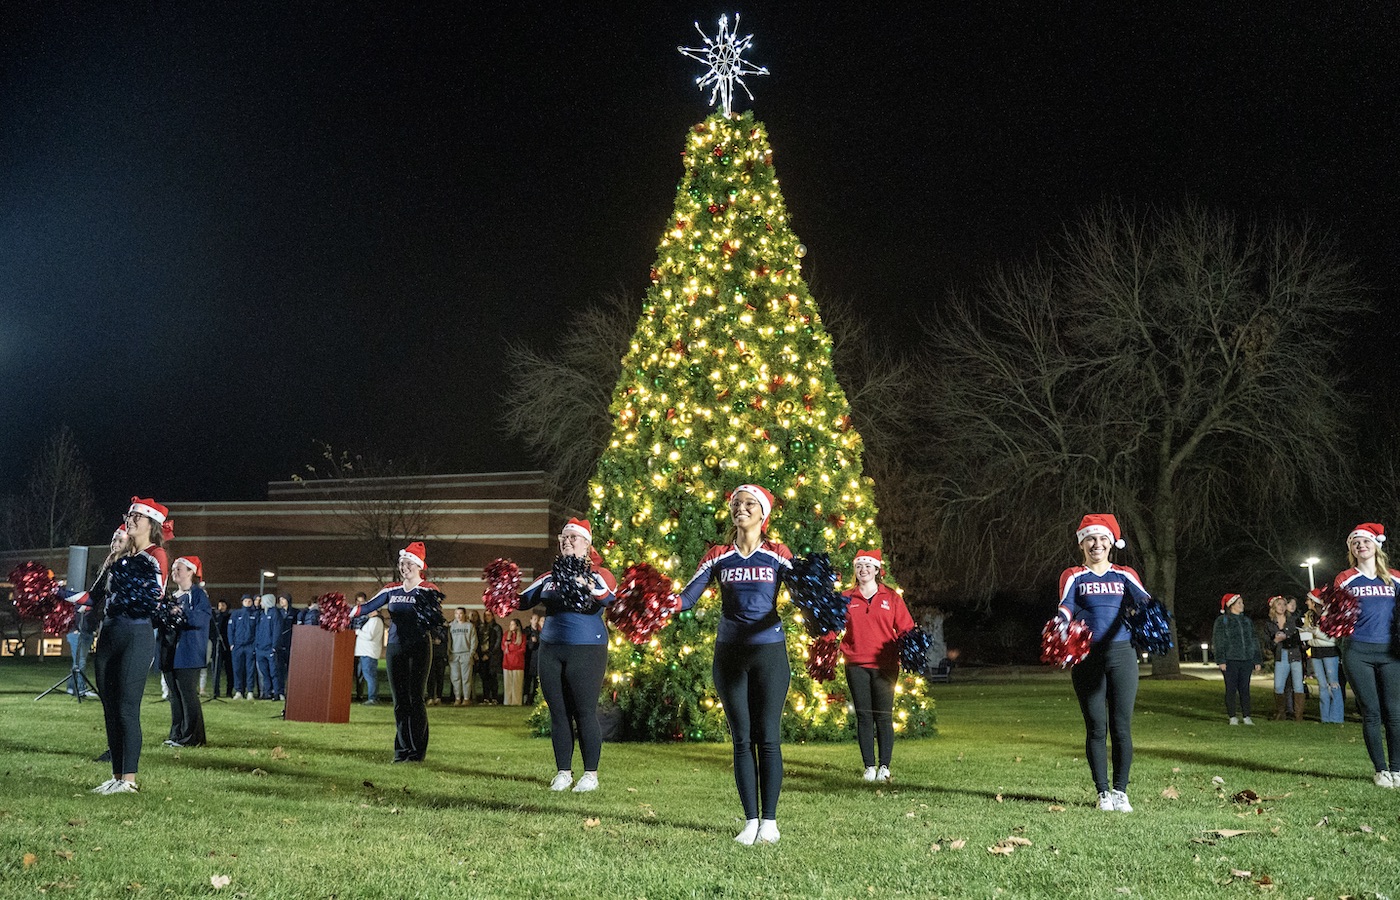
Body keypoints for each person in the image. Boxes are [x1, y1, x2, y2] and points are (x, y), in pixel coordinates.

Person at [676, 484, 792, 845]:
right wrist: (653, 604)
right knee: (741, 739)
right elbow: (687, 597)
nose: (741, 508)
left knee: (768, 737)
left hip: (769, 653)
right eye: (736, 503)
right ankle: (750, 820)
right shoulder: (718, 556)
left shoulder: (777, 553)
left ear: (763, 514)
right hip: (729, 654)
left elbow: (805, 595)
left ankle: (770, 821)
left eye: (749, 503)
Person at [1057, 513, 1149, 813]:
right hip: (1087, 657)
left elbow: (1145, 603)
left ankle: (1121, 791)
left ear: (1112, 543)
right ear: (1082, 543)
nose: (1096, 544)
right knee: (1096, 727)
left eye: (1102, 538)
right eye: (1090, 539)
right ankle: (1102, 792)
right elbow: (1067, 606)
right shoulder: (1073, 575)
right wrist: (1060, 624)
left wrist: (1147, 617)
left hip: (1122, 654)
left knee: (1121, 726)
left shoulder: (1125, 574)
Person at [516, 518, 617, 792]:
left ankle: (590, 774)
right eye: (564, 537)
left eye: (574, 537)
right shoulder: (549, 576)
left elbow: (609, 597)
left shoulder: (600, 573)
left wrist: (584, 581)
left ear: (587, 543)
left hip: (587, 650)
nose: (568, 541)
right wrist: (501, 587)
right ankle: (563, 772)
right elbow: (520, 600)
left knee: (584, 712)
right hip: (550, 649)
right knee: (558, 713)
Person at [91, 497, 169, 794]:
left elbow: (155, 596)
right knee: (110, 708)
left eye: (138, 517)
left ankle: (130, 779)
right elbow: (92, 598)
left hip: (135, 635)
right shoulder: (118, 557)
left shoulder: (155, 554)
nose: (131, 520)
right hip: (109, 634)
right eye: (130, 515)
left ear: (152, 524)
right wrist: (56, 594)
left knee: (126, 708)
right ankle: (116, 775)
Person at [349, 542, 443, 762]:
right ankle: (401, 751)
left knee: (415, 698)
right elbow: (367, 607)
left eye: (409, 562)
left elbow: (434, 618)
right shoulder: (391, 589)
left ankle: (417, 752)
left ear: (419, 565)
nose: (404, 566)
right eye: (401, 563)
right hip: (395, 647)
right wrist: (342, 611)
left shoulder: (429, 589)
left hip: (419, 646)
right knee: (400, 700)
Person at [838, 549, 914, 783]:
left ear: (877, 570)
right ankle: (869, 766)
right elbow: (832, 627)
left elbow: (907, 628)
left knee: (883, 716)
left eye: (868, 566)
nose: (863, 570)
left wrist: (911, 649)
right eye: (859, 567)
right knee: (863, 716)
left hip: (885, 666)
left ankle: (884, 766)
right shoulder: (846, 598)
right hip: (856, 664)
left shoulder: (891, 597)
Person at [1333, 523, 1400, 787]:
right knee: (1371, 711)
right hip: (1357, 650)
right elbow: (1338, 615)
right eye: (1355, 542)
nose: (1361, 545)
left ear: (1376, 545)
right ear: (1351, 549)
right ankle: (1380, 770)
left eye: (1365, 541)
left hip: (1392, 652)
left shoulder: (1395, 577)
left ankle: (1397, 769)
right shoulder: (1345, 578)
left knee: (1395, 712)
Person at [165, 556, 211, 747]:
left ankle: (193, 737)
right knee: (174, 694)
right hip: (169, 652)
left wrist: (181, 612)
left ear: (191, 572)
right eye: (174, 568)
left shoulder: (198, 595)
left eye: (179, 569)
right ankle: (176, 734)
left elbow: (201, 619)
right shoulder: (171, 596)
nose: (174, 572)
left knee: (187, 694)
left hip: (188, 652)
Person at [1211, 593, 1261, 725]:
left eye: (1242, 603)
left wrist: (1256, 659)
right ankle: (1232, 716)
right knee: (1231, 688)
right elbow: (1218, 641)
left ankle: (1246, 716)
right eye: (1239, 603)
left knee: (1245, 689)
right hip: (1230, 660)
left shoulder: (1247, 621)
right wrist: (1221, 660)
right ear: (1231, 606)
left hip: (1246, 660)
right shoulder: (1222, 621)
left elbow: (1254, 640)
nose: (1242, 605)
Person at [1302, 588, 1343, 724]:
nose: (1306, 602)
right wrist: (1310, 636)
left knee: (1334, 684)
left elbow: (1333, 638)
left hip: (1330, 652)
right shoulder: (1310, 616)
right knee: (1322, 685)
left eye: (1308, 600)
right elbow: (1309, 638)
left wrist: (1315, 633)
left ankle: (1337, 717)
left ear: (1314, 602)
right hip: (1316, 652)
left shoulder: (1330, 615)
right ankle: (1325, 718)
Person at [1264, 595, 1305, 722]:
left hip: (1295, 654)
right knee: (1279, 685)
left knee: (1298, 685)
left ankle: (1299, 715)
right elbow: (1268, 645)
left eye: (1283, 604)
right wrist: (1275, 640)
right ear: (1273, 607)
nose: (1282, 607)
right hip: (1281, 655)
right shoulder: (1270, 624)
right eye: (1279, 604)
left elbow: (1302, 635)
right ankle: (1281, 713)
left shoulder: (1292, 619)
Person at [354, 607, 387, 704]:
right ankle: (373, 697)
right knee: (370, 675)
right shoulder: (374, 621)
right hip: (366, 652)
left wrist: (358, 631)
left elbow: (369, 636)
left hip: (368, 652)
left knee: (370, 676)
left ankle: (373, 697)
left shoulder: (375, 621)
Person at [253, 594, 283, 700]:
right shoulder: (262, 614)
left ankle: (276, 692)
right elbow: (258, 631)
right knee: (264, 672)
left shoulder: (275, 613)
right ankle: (267, 692)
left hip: (270, 648)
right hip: (260, 648)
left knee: (273, 671)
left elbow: (276, 631)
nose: (260, 603)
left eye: (262, 601)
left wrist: (274, 646)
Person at [229, 594, 257, 700]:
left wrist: (254, 645)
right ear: (242, 602)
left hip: (250, 646)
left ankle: (250, 691)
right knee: (237, 669)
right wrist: (232, 644)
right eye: (246, 601)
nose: (248, 603)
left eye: (250, 601)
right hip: (238, 646)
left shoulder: (254, 614)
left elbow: (257, 631)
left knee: (250, 670)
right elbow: (230, 630)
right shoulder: (236, 614)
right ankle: (239, 691)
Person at [447, 607, 478, 707]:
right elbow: (448, 641)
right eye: (457, 614)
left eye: (460, 613)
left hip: (466, 654)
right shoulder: (451, 626)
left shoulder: (469, 626)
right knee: (455, 678)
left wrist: (471, 653)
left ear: (464, 614)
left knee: (466, 678)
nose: (459, 616)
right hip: (454, 655)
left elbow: (474, 640)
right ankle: (457, 698)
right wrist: (449, 652)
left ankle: (466, 698)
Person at [476, 611, 503, 704]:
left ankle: (494, 698)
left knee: (493, 677)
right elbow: (479, 641)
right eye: (485, 615)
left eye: (489, 615)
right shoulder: (482, 628)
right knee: (484, 677)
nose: (487, 617)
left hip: (492, 656)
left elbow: (497, 643)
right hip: (482, 655)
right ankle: (486, 697)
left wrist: (489, 654)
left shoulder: (496, 628)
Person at [209, 599, 233, 699]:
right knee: (215, 669)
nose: (220, 607)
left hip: (227, 646)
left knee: (229, 670)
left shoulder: (230, 617)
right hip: (217, 646)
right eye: (219, 605)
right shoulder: (215, 617)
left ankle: (229, 691)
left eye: (223, 605)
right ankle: (216, 691)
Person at [502, 618, 527, 705]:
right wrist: (507, 648)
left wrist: (513, 652)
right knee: (507, 684)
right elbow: (503, 646)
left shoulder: (522, 636)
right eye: (510, 624)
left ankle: (516, 702)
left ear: (517, 626)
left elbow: (523, 649)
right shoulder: (506, 635)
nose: (511, 626)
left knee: (517, 684)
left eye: (513, 624)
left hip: (518, 663)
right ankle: (507, 701)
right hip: (507, 662)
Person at [523, 610, 543, 705]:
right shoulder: (526, 631)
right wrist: (531, 642)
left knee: (536, 680)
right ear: (531, 620)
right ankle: (526, 697)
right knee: (527, 679)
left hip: (536, 658)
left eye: (537, 619)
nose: (536, 621)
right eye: (534, 619)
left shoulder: (540, 632)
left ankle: (534, 698)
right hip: (529, 658)